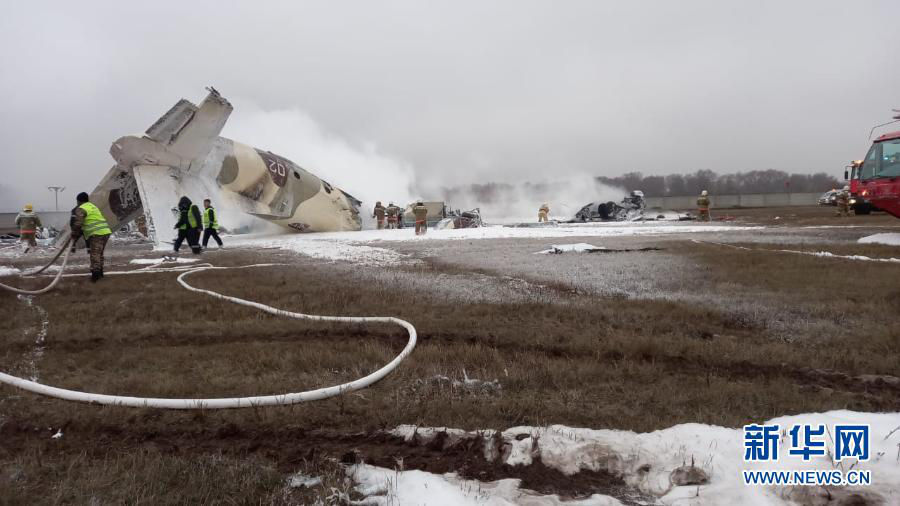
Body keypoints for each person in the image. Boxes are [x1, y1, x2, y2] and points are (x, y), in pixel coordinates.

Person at [70, 192, 112, 282]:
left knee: (95, 254)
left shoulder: (81, 209)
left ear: (79, 201)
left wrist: (74, 234)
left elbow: (78, 223)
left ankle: (95, 275)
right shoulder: (93, 206)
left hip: (96, 233)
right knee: (99, 253)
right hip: (105, 231)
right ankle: (100, 273)